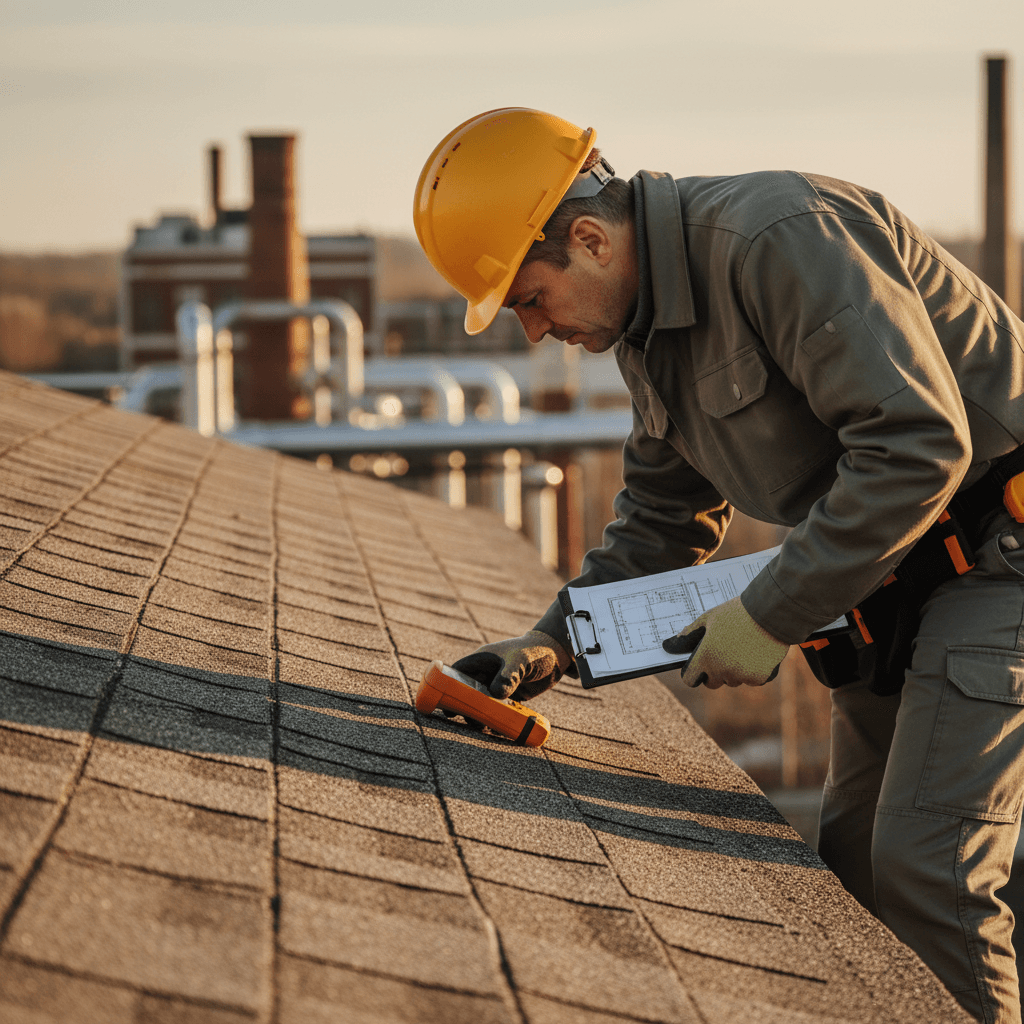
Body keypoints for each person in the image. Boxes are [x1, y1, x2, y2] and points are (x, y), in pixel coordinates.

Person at [413, 107, 1024, 1024]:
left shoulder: (779, 239)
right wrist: (552, 644)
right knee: (856, 875)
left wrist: (769, 612)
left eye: (530, 300)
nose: (534, 331)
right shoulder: (648, 331)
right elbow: (664, 517)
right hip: (895, 585)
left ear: (589, 239)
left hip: (1000, 565)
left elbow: (916, 448)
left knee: (926, 866)